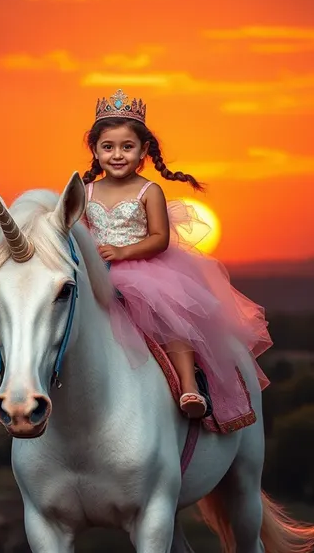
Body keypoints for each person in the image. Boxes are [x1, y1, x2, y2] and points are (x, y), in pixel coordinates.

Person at [82, 89, 272, 419]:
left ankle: (189, 387)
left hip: (142, 267)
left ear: (143, 151)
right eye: (108, 147)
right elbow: (80, 233)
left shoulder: (148, 190)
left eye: (127, 147)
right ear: (95, 151)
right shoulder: (85, 192)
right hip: (96, 266)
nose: (117, 155)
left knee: (170, 317)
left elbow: (159, 238)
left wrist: (122, 251)